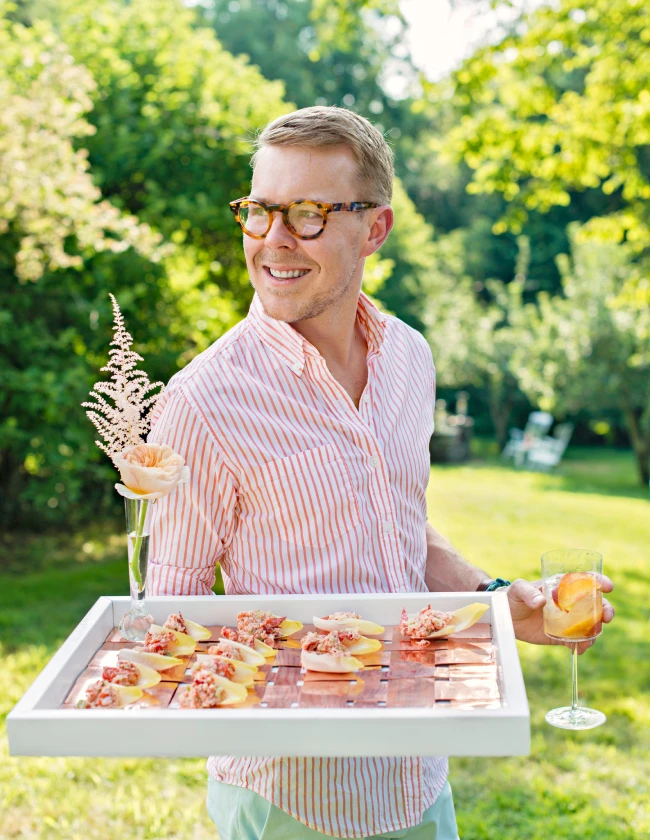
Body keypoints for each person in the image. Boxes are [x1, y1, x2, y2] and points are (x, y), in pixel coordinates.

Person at [147, 106, 615, 840]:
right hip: (292, 804)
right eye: (260, 211)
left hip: (421, 784)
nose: (273, 241)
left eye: (306, 214)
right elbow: (165, 629)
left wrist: (497, 603)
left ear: (376, 229)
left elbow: (398, 531)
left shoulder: (409, 359)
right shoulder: (203, 401)